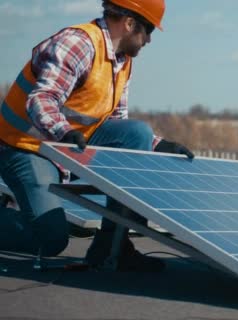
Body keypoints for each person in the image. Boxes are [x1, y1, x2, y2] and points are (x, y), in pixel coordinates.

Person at [0, 0, 194, 271]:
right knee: (49, 239)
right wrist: (63, 132)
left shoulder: (122, 61)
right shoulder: (77, 44)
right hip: (25, 145)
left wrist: (159, 145)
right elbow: (42, 100)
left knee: (137, 134)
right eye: (147, 30)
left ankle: (111, 247)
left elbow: (116, 125)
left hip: (67, 141)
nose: (149, 39)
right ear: (128, 24)